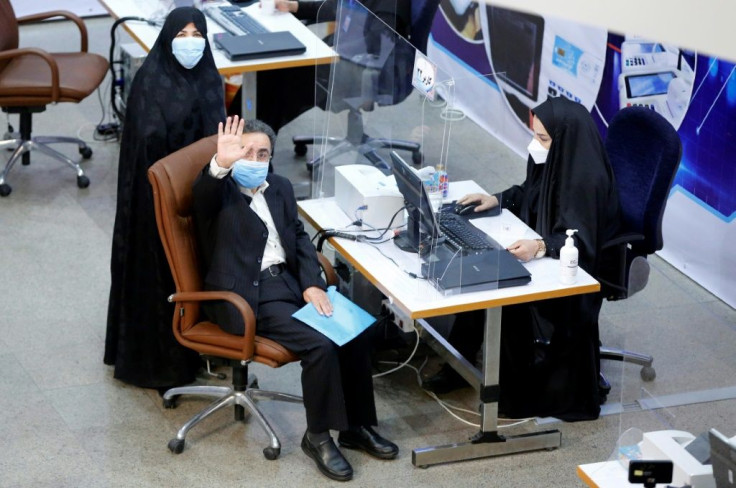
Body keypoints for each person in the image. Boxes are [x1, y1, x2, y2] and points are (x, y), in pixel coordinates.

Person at [191, 116, 398, 482]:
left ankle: (355, 426)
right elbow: (203, 193)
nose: (254, 160)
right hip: (246, 295)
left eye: (263, 154)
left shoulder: (280, 188)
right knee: (320, 346)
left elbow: (300, 239)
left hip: (289, 284)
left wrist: (311, 283)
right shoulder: (217, 195)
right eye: (246, 152)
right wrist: (221, 164)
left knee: (357, 331)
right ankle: (317, 435)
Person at [423, 97, 621, 421]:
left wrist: (539, 246)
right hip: (547, 250)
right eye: (535, 135)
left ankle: (508, 393)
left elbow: (580, 242)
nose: (535, 145)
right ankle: (459, 363)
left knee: (499, 286)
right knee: (481, 270)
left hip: (575, 272)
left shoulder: (585, 182)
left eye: (543, 139)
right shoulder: (558, 160)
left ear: (564, 140)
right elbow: (530, 191)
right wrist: (496, 199)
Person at [104, 7, 226, 390]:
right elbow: (146, 154)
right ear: (167, 37)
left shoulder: (210, 77)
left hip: (207, 191)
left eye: (197, 34)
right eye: (182, 34)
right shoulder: (150, 82)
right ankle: (161, 363)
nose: (190, 42)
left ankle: (212, 340)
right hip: (157, 201)